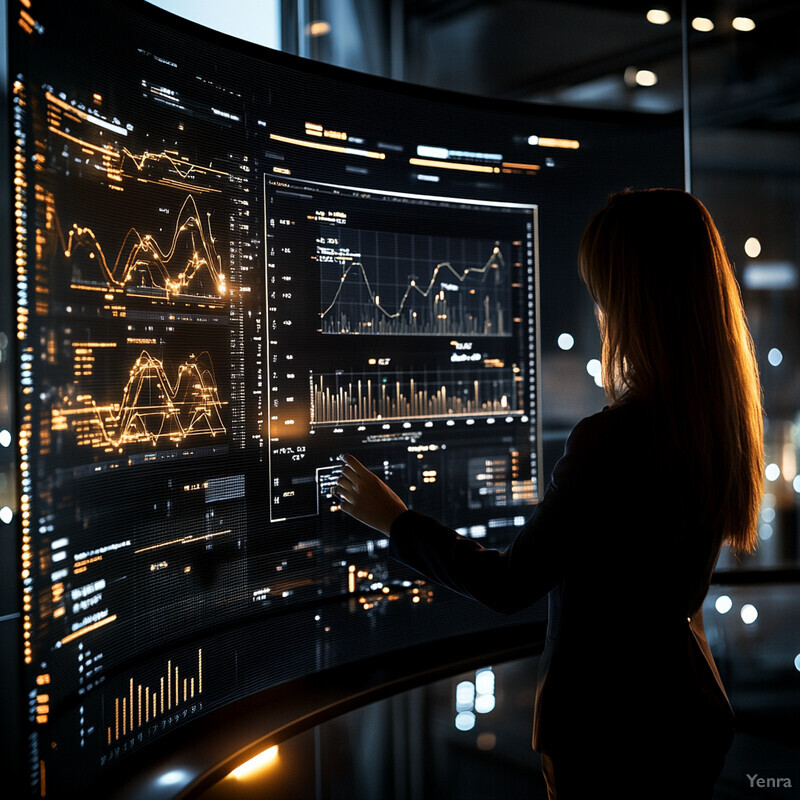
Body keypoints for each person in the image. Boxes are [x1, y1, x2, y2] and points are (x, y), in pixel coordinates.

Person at [333, 188, 764, 799]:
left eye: (603, 295)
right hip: (688, 714)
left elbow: (509, 584)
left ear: (636, 303)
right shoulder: (719, 423)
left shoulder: (611, 441)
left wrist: (397, 521)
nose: (599, 313)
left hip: (609, 739)